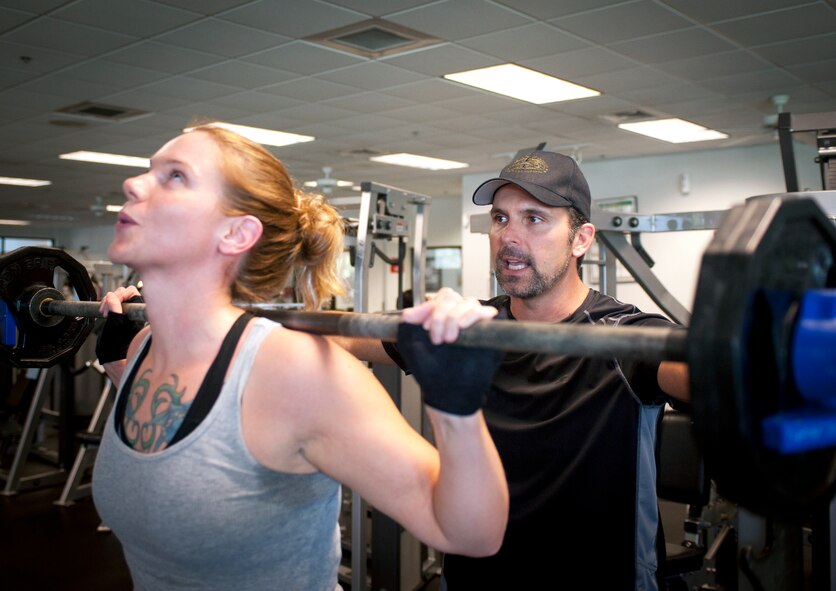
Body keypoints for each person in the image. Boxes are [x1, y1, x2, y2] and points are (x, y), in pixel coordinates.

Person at [91, 124, 509, 591]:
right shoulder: (143, 346)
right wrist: (115, 364)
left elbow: (471, 534)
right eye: (149, 170)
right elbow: (182, 445)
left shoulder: (296, 372)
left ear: (236, 233)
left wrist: (456, 410)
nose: (133, 183)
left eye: (175, 176)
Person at [335, 150, 690, 590]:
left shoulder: (627, 336)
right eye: (500, 219)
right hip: (475, 576)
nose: (509, 236)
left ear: (581, 239)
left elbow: (704, 373)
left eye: (534, 219)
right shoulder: (473, 328)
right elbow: (344, 335)